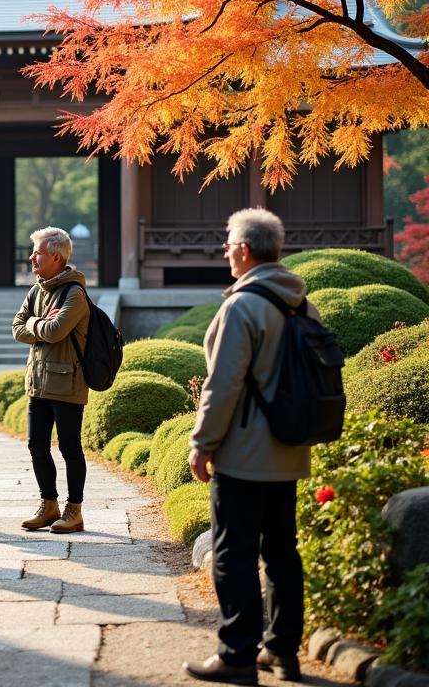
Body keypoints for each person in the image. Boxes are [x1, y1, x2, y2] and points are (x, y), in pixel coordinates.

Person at [183, 207, 313, 686]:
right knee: (282, 553)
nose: (223, 251)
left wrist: (202, 443)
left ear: (243, 250)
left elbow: (222, 385)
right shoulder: (299, 301)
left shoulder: (242, 306)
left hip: (244, 451)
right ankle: (282, 651)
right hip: (289, 448)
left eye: (227, 243)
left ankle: (237, 653)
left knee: (232, 553)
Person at [11, 226, 91, 534]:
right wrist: (37, 321)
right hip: (38, 382)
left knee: (70, 447)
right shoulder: (36, 290)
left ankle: (75, 510)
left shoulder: (75, 293)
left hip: (68, 383)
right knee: (36, 445)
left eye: (38, 253)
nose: (31, 257)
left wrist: (38, 325)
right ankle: (49, 504)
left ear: (56, 257)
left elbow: (56, 331)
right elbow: (17, 327)